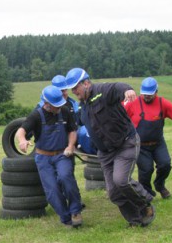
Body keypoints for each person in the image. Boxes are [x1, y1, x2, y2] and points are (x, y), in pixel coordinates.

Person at [66, 67, 155, 227]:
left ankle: (145, 203)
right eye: (72, 88)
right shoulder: (83, 107)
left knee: (121, 180)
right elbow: (75, 127)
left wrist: (128, 90)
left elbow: (118, 87)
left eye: (75, 87)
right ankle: (135, 220)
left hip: (126, 143)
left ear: (86, 83)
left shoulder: (102, 91)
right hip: (106, 153)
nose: (74, 91)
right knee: (113, 193)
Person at [124, 77, 172, 199]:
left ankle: (160, 185)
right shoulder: (133, 104)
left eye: (150, 95)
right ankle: (146, 193)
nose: (146, 97)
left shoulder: (163, 103)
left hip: (158, 143)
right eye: (144, 94)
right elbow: (118, 117)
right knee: (146, 170)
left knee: (165, 164)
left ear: (156, 92)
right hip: (140, 145)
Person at [16, 85, 83, 228]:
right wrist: (22, 140)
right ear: (46, 104)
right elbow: (21, 130)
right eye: (55, 106)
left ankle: (76, 211)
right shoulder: (36, 115)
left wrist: (71, 146)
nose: (59, 108)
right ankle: (66, 217)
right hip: (43, 158)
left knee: (66, 178)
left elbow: (72, 131)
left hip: (62, 155)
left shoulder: (65, 112)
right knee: (51, 190)